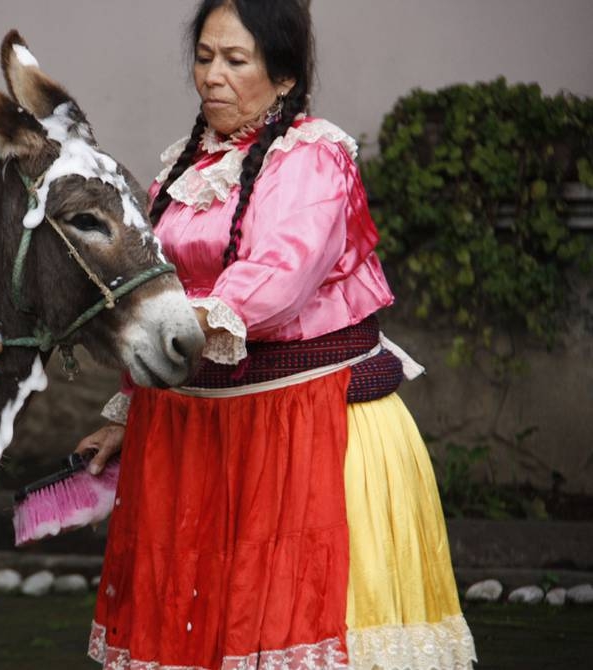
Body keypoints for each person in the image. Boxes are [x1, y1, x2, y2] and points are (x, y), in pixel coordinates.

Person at [76, 1, 478, 669]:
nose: (212, 77)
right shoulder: (182, 168)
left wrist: (174, 326)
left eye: (235, 61)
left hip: (297, 429)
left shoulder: (314, 157)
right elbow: (153, 292)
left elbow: (278, 277)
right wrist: (127, 410)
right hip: (195, 434)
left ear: (285, 76)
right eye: (204, 58)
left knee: (288, 624)